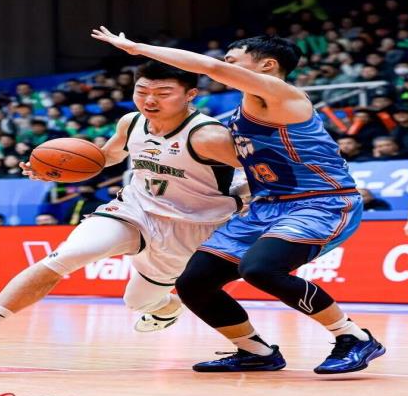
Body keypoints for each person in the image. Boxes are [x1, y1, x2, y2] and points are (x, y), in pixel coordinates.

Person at [90, 27, 385, 374]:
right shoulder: (245, 108)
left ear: (267, 65)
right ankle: (255, 351)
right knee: (193, 283)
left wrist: (138, 47)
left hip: (320, 201)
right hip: (266, 204)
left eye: (233, 61)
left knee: (260, 269)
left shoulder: (282, 94)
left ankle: (352, 337)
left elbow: (210, 68)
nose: (224, 65)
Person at [0, 61, 242, 357]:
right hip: (134, 210)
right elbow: (107, 156)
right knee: (64, 257)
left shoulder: (209, 135)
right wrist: (53, 170)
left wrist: (246, 204)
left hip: (190, 225)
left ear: (190, 95)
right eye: (142, 91)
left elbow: (258, 173)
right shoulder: (131, 122)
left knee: (137, 301)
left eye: (162, 93)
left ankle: (167, 307)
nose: (149, 100)